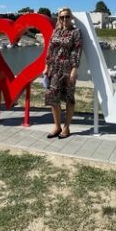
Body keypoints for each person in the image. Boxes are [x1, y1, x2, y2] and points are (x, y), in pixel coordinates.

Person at [43, 7, 82, 139]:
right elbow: (50, 50)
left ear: (71, 17)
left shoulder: (75, 32)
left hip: (68, 69)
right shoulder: (56, 32)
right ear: (59, 18)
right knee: (53, 97)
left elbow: (77, 51)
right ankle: (57, 126)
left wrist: (74, 69)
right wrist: (46, 66)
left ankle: (66, 127)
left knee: (69, 98)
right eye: (62, 17)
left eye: (67, 16)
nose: (64, 19)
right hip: (54, 68)